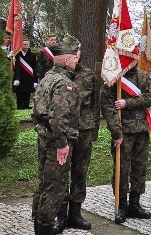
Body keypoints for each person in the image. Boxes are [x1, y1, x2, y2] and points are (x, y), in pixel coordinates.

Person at [31, 36, 81, 235]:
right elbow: (58, 117)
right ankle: (44, 228)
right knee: (55, 187)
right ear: (67, 60)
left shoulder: (46, 78)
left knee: (43, 183)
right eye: (75, 58)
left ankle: (39, 225)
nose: (78, 60)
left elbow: (36, 113)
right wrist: (62, 143)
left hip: (45, 138)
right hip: (56, 142)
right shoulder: (63, 83)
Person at [102, 64, 151, 223]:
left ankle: (135, 203)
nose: (131, 60)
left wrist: (128, 103)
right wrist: (116, 132)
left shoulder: (143, 76)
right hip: (123, 131)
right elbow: (107, 108)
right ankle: (122, 205)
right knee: (122, 169)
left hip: (141, 129)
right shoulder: (113, 79)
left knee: (140, 167)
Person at [51, 55, 100, 234]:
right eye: (74, 51)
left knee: (81, 171)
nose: (77, 55)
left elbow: (96, 104)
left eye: (79, 51)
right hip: (65, 130)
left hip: (84, 130)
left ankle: (76, 214)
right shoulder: (57, 76)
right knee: (62, 171)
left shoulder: (89, 75)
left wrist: (94, 127)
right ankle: (61, 216)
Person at [13, 38, 38, 109]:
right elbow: (12, 65)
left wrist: (35, 81)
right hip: (19, 78)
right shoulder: (17, 55)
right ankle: (19, 108)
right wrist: (10, 57)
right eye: (24, 44)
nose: (26, 46)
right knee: (19, 97)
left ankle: (26, 108)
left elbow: (34, 69)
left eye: (27, 44)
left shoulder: (32, 56)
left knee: (27, 96)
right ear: (21, 45)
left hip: (29, 79)